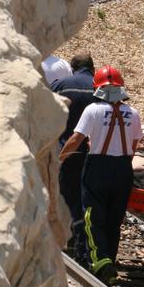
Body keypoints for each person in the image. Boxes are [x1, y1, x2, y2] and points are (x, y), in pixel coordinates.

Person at [59, 65, 143, 285]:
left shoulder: (93, 110)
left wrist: (60, 158)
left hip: (98, 166)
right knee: (114, 219)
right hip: (123, 168)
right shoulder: (133, 114)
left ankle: (100, 262)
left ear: (98, 88)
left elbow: (76, 139)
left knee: (92, 217)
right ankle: (108, 262)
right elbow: (133, 147)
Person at [50, 53, 96, 264]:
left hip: (66, 150)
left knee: (68, 196)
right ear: (92, 68)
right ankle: (88, 244)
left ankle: (74, 241)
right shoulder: (100, 87)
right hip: (94, 153)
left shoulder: (61, 84)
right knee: (86, 198)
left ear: (72, 68)